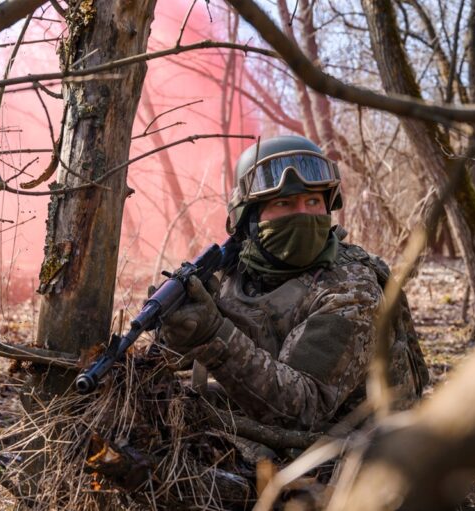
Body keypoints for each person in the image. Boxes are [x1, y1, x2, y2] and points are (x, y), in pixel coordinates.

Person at [158, 135, 429, 430]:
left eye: (313, 201)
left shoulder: (353, 289)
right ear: (248, 217)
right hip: (276, 431)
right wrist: (175, 330)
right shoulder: (233, 273)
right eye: (284, 203)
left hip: (362, 447)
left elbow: (304, 408)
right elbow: (174, 358)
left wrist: (213, 335)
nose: (303, 214)